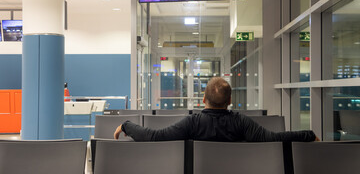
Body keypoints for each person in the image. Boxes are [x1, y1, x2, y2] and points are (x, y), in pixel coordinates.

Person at [114, 77, 318, 142]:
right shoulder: (241, 121)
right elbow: (274, 139)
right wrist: (308, 134)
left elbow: (155, 137)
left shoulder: (192, 122)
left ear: (203, 99)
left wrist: (126, 125)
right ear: (230, 100)